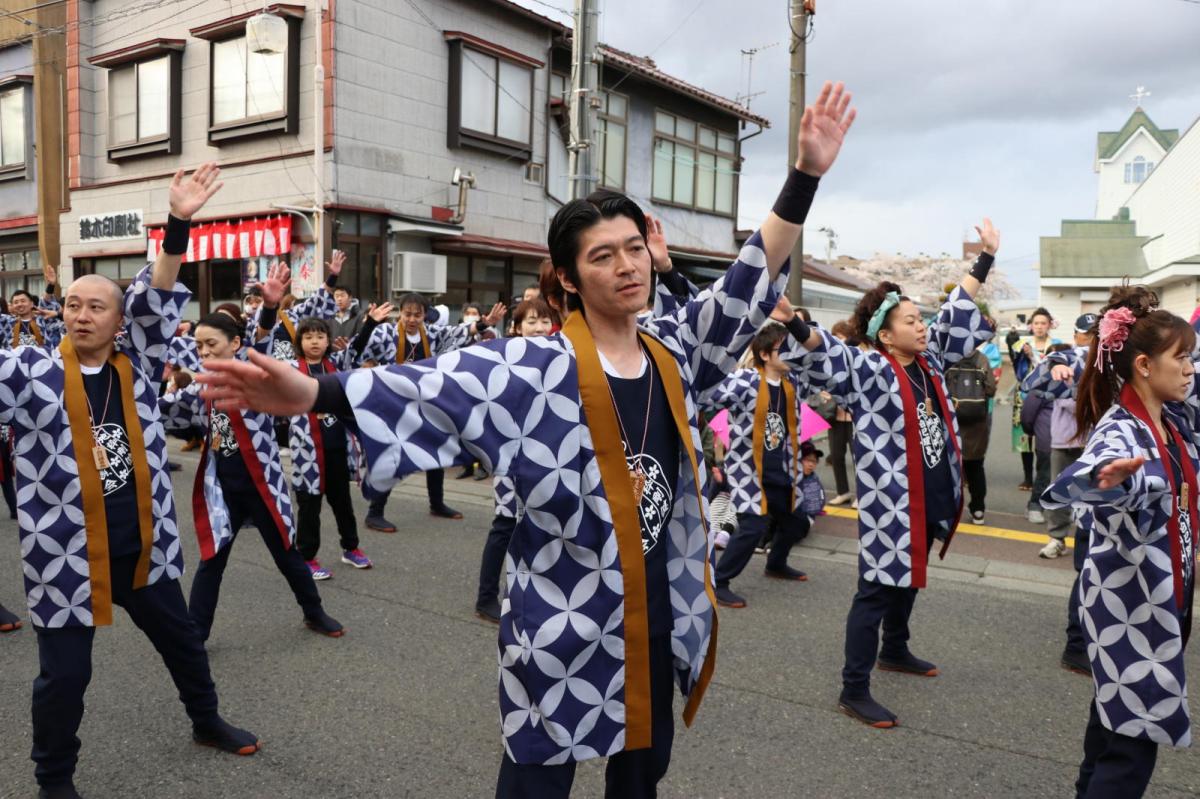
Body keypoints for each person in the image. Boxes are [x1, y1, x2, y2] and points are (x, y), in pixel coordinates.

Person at [197, 80, 854, 799]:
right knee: (536, 782)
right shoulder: (530, 366)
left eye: (634, 248)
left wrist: (806, 174)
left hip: (655, 609)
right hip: (562, 620)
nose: (627, 264)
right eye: (603, 255)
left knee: (640, 777)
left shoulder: (674, 349)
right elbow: (430, 385)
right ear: (569, 278)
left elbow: (749, 278)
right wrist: (314, 392)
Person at [0, 164, 260, 799]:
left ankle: (205, 720)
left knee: (184, 644)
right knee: (62, 679)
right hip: (66, 555)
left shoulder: (137, 362)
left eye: (97, 307)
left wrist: (177, 224)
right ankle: (53, 778)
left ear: (121, 321)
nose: (81, 315)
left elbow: (158, 286)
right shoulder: (27, 371)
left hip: (143, 545)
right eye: (72, 305)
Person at [788, 219, 999, 728]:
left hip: (929, 495)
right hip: (891, 502)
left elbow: (954, 314)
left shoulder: (928, 364)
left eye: (918, 318)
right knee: (877, 588)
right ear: (885, 334)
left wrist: (985, 260)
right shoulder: (875, 370)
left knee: (909, 578)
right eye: (909, 321)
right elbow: (829, 355)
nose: (921, 325)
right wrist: (797, 326)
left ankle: (895, 648)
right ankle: (853, 687)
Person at [1041, 286, 1196, 799]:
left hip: (1165, 601)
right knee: (1132, 747)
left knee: (1111, 727)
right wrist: (1115, 481)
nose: (1191, 369)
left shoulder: (1173, 419)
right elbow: (1084, 482)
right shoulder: (1120, 429)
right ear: (1146, 365)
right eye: (1183, 358)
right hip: (1130, 611)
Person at [158, 270, 345, 641]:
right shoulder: (202, 388)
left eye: (212, 344)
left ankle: (314, 611)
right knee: (212, 559)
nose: (205, 352)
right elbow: (161, 408)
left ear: (235, 344)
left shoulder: (253, 371)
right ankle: (197, 632)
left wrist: (272, 305)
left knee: (286, 554)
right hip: (223, 486)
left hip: (262, 484)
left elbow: (261, 343)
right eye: (199, 347)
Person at [361, 293, 506, 528]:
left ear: (424, 315)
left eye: (417, 315)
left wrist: (484, 323)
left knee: (436, 451)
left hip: (423, 402)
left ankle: (436, 503)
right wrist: (368, 364)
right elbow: (365, 351)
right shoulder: (385, 332)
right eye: (407, 314)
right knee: (391, 456)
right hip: (393, 402)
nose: (411, 319)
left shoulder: (431, 333)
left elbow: (458, 332)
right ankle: (374, 511)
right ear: (401, 312)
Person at [703, 315, 818, 609]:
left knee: (793, 521)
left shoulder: (794, 383)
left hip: (782, 468)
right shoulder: (746, 380)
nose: (791, 355)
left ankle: (776, 564)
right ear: (765, 355)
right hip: (747, 470)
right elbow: (708, 398)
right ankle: (720, 582)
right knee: (753, 526)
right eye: (784, 350)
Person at [474, 297, 556, 622]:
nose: (539, 328)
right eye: (531, 322)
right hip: (512, 457)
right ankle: (485, 597)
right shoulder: (504, 358)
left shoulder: (560, 357)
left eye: (544, 321)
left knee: (544, 526)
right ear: (517, 328)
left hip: (549, 458)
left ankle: (536, 594)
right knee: (505, 524)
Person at [289, 315, 383, 578]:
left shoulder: (337, 365)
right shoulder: (291, 369)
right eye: (308, 337)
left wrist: (370, 323)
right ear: (300, 341)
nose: (315, 342)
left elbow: (355, 348)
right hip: (307, 454)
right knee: (309, 507)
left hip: (337, 448)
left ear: (328, 340)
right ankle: (307, 557)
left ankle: (350, 548)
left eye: (320, 336)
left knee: (343, 503)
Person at [1024, 315, 1097, 561]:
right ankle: (1057, 538)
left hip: (1092, 442)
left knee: (1092, 493)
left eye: (1094, 335)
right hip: (1064, 440)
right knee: (1059, 491)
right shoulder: (1067, 358)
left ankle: (1090, 542)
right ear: (1076, 335)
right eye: (1086, 335)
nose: (1089, 340)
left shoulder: (1102, 361)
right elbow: (1064, 398)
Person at [946, 332, 998, 524]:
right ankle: (978, 510)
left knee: (951, 467)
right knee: (975, 467)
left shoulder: (949, 359)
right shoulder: (982, 359)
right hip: (977, 423)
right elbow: (991, 389)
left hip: (953, 420)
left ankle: (950, 508)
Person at [1010, 307, 1062, 502]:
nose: (1040, 327)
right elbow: (1017, 366)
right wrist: (1023, 354)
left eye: (1043, 323)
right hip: (1024, 395)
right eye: (1036, 323)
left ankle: (1045, 474)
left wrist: (1033, 355)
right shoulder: (1021, 344)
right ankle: (1027, 477)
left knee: (1045, 436)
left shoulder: (1056, 345)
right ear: (1031, 326)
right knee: (1025, 438)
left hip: (1049, 396)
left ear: (1049, 325)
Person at [824, 319, 856, 505]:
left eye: (841, 337)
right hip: (834, 415)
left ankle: (862, 495)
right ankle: (842, 491)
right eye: (835, 337)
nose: (837, 341)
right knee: (836, 456)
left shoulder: (855, 358)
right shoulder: (830, 361)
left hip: (852, 417)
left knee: (857, 457)